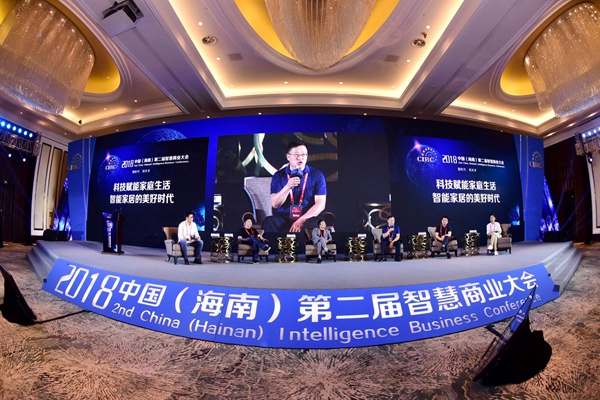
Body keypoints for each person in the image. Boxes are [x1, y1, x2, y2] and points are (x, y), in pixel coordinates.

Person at [263, 141, 327, 233]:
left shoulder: (317, 175)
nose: (300, 157)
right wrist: (288, 186)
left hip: (307, 217)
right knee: (269, 222)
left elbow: (320, 204)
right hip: (284, 217)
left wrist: (301, 220)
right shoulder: (279, 175)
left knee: (316, 222)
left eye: (303, 154)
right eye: (296, 154)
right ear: (288, 157)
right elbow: (275, 204)